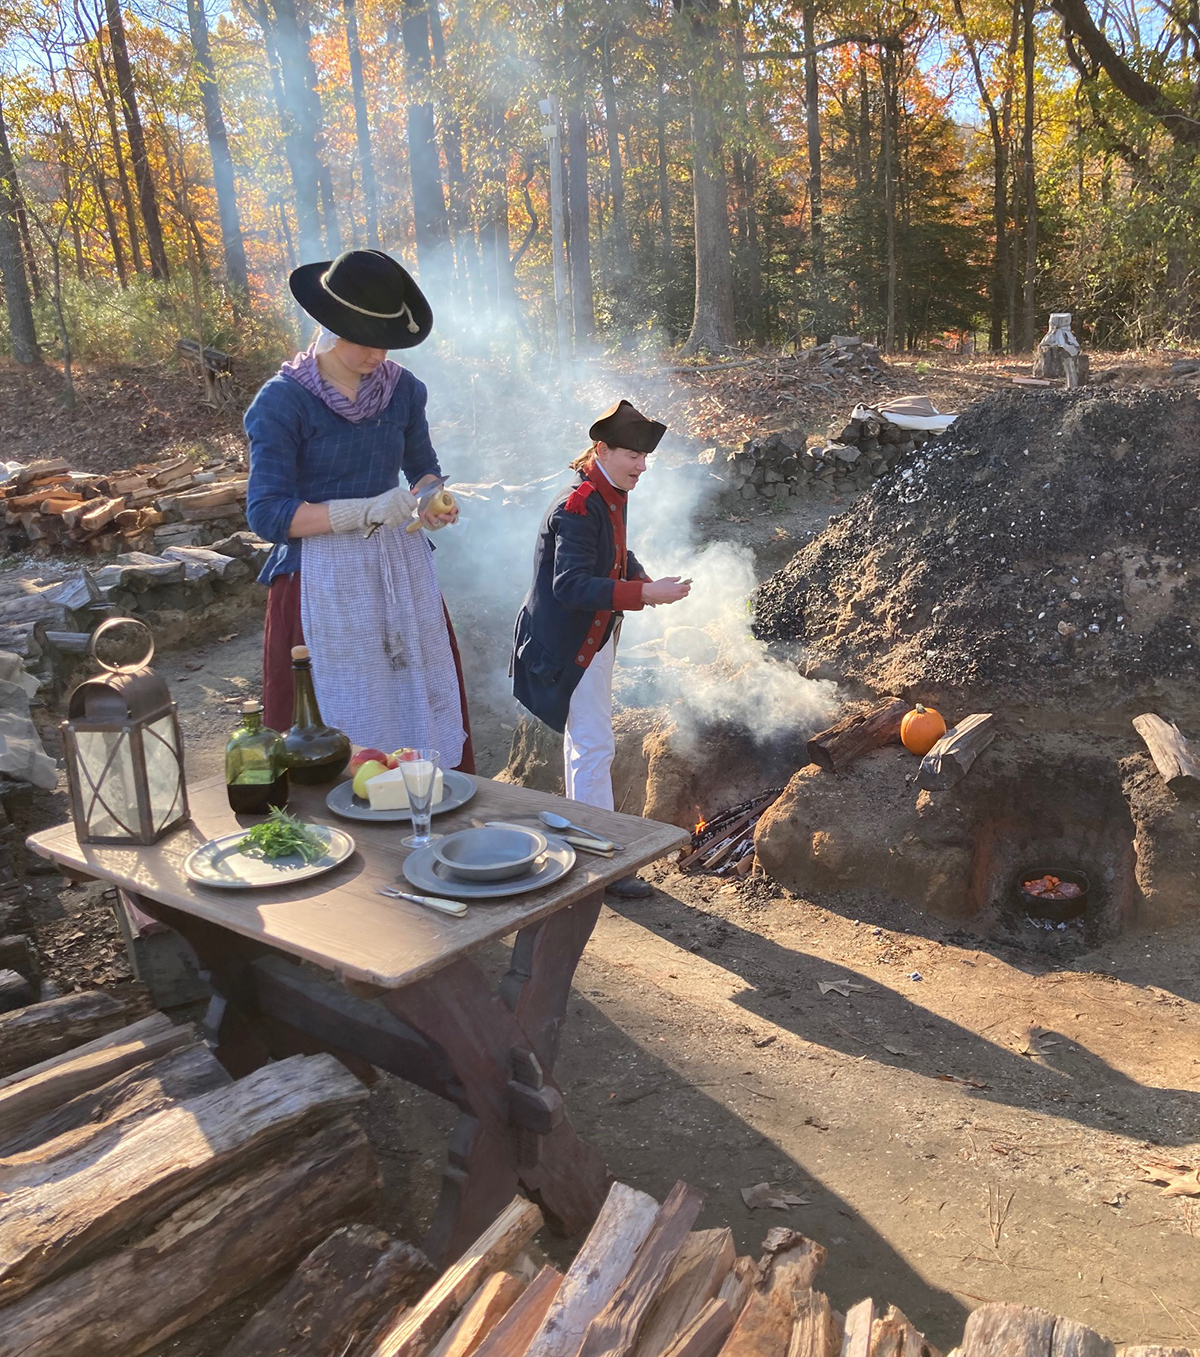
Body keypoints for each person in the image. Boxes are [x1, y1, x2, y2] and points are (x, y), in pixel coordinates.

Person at [245, 248, 474, 771]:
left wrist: (431, 501)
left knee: (415, 705)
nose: (379, 354)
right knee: (333, 729)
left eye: (387, 341)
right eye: (367, 340)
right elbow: (268, 516)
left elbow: (424, 469)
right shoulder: (282, 402)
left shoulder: (404, 391)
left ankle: (422, 808)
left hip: (399, 572)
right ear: (332, 326)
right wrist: (366, 511)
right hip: (317, 581)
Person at [512, 400, 690, 898]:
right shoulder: (578, 504)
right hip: (569, 644)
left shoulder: (610, 492)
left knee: (584, 743)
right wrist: (642, 596)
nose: (642, 465)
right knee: (593, 744)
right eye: (632, 454)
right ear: (601, 449)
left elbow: (614, 550)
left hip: (593, 635)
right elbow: (570, 584)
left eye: (645, 457)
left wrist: (639, 577)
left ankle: (583, 843)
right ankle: (599, 863)